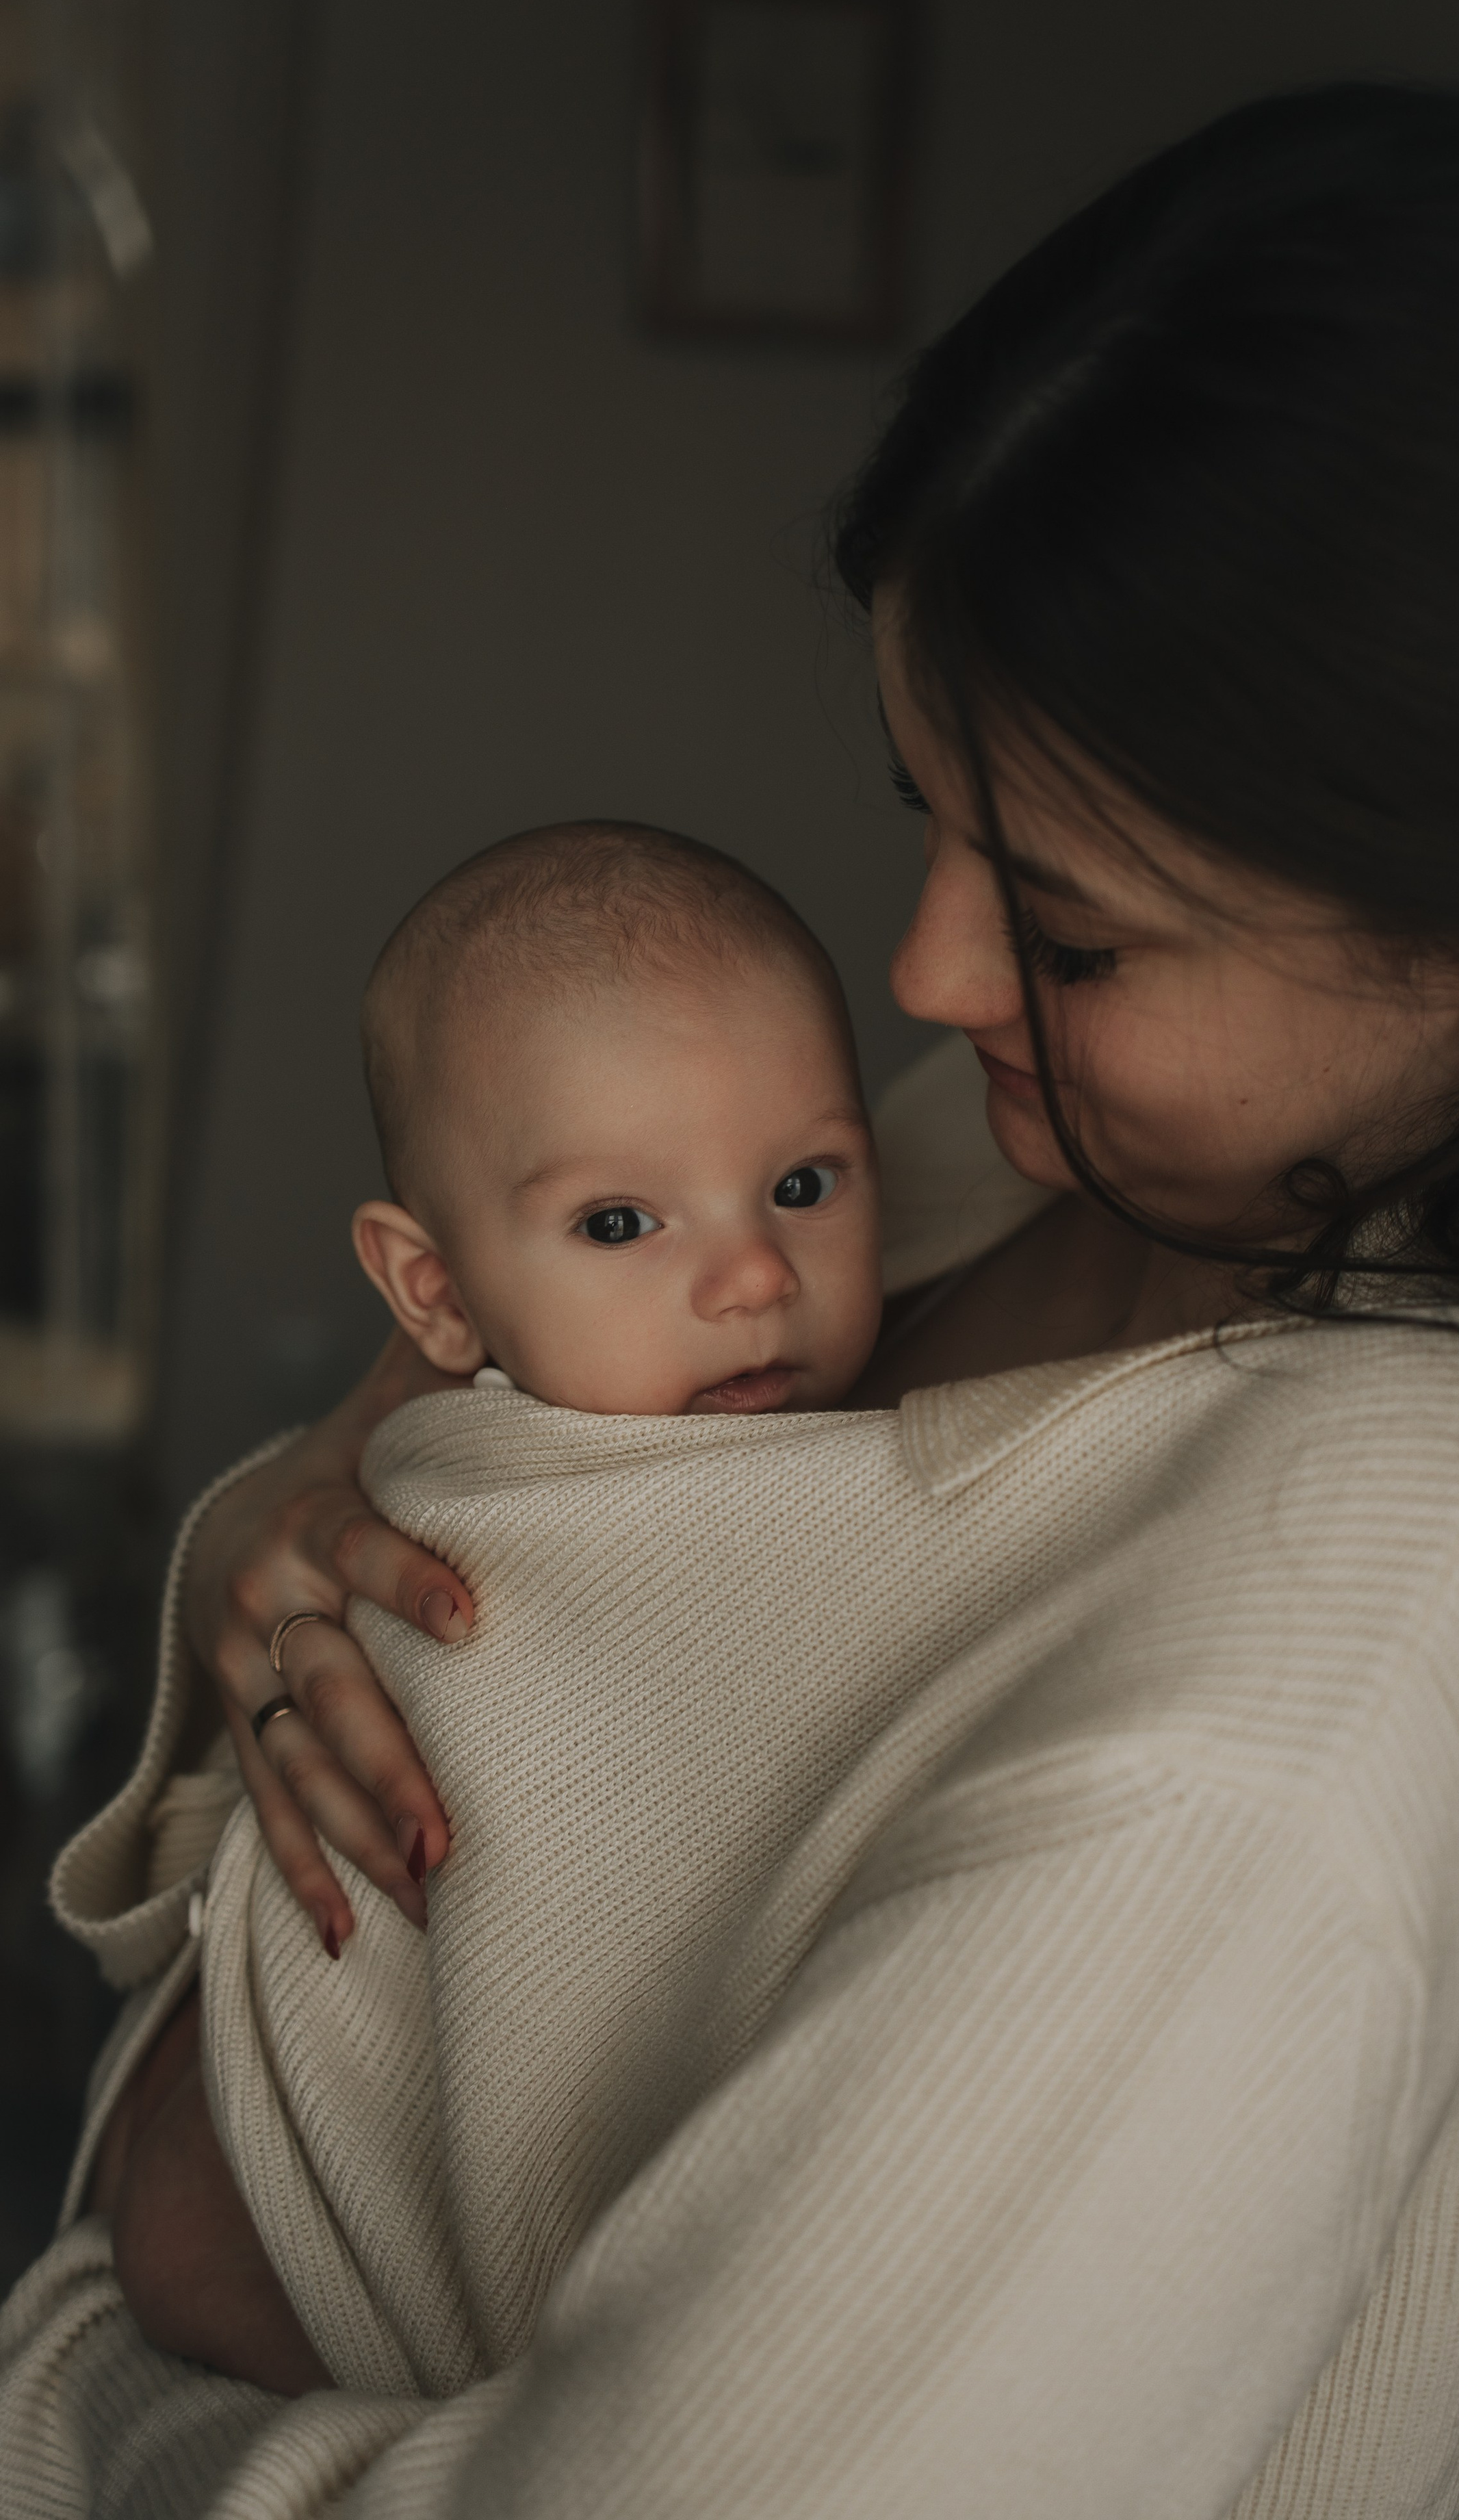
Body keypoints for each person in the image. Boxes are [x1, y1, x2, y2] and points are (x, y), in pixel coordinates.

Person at [3, 80, 1459, 2519]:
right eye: (925, 804)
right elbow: (585, 1562)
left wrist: (65, 2387)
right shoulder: (1032, 1151)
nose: (924, 968)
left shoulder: (1368, 1633)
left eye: (1069, 925)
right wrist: (285, 1549)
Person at [96, 817, 890, 2397]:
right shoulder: (437, 1496)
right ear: (436, 1295)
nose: (751, 1277)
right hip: (266, 2183)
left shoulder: (851, 1493)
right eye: (620, 1223)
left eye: (802, 1184)